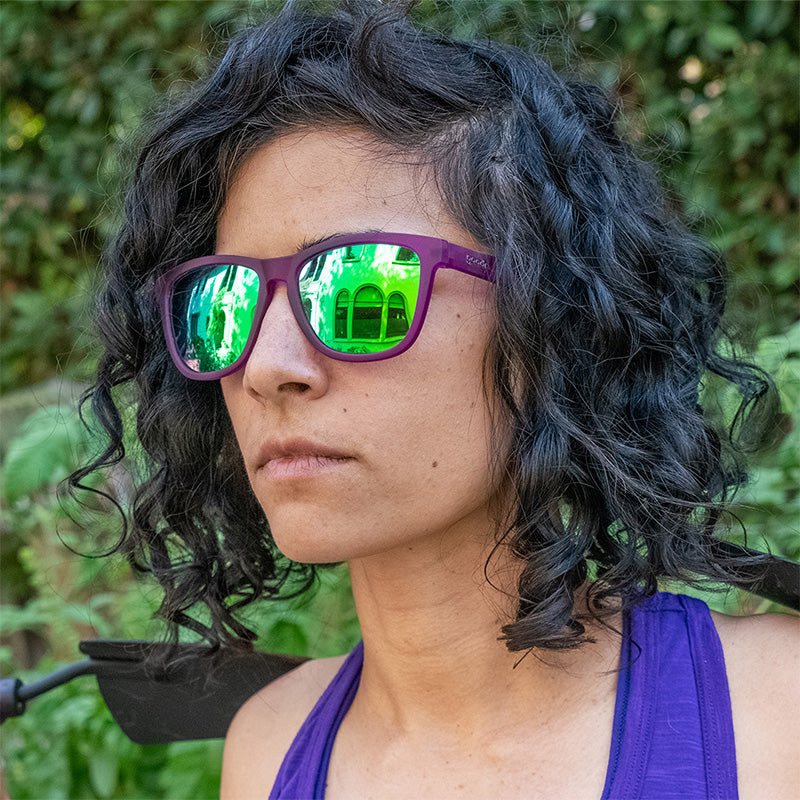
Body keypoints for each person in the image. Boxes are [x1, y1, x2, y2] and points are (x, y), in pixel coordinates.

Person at [71, 1, 798, 797]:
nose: (264, 366)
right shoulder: (268, 748)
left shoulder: (775, 711)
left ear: (551, 317)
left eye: (358, 288)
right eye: (225, 303)